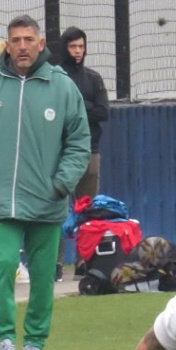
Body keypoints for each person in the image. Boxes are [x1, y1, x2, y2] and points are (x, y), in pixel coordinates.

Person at [0, 15, 90, 350]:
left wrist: (61, 183)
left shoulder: (62, 87)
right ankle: (4, 340)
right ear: (7, 44)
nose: (21, 46)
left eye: (28, 39)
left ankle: (34, 342)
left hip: (46, 200)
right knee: (3, 265)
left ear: (41, 43)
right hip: (0, 198)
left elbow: (79, 141)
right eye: (15, 40)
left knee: (44, 273)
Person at [54, 26, 110, 281]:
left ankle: (84, 262)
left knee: (88, 209)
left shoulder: (93, 78)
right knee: (58, 207)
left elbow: (103, 112)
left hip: (90, 150)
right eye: (73, 46)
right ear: (64, 47)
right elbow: (58, 111)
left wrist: (78, 106)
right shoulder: (56, 77)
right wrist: (83, 108)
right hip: (60, 151)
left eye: (81, 47)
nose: (78, 52)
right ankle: (54, 263)